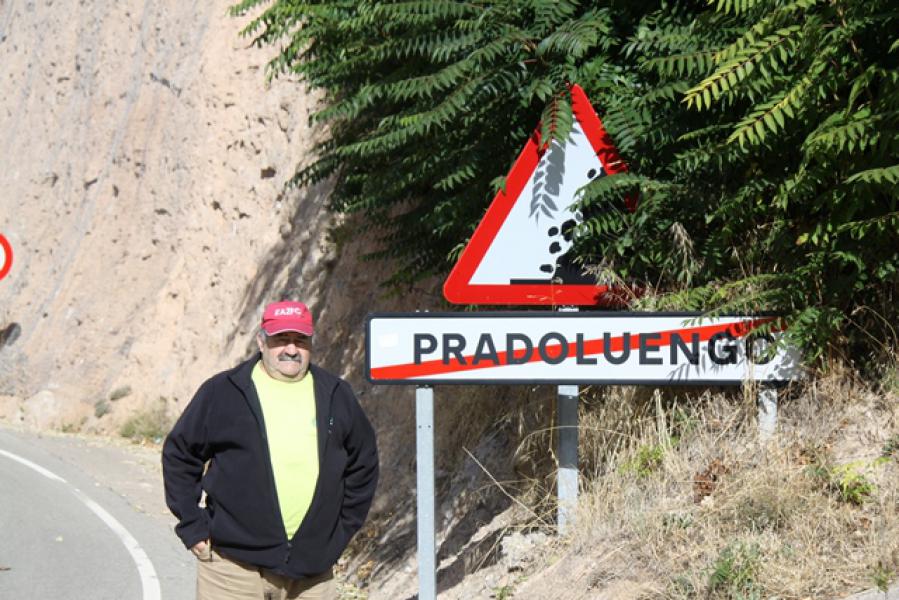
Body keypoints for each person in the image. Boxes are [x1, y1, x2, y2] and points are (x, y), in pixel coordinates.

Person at [162, 300, 379, 600]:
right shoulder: (223, 391)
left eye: (300, 340)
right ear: (261, 341)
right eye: (281, 339)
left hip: (312, 572)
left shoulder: (336, 394)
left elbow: (363, 464)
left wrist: (341, 532)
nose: (291, 349)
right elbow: (180, 454)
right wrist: (192, 525)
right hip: (232, 567)